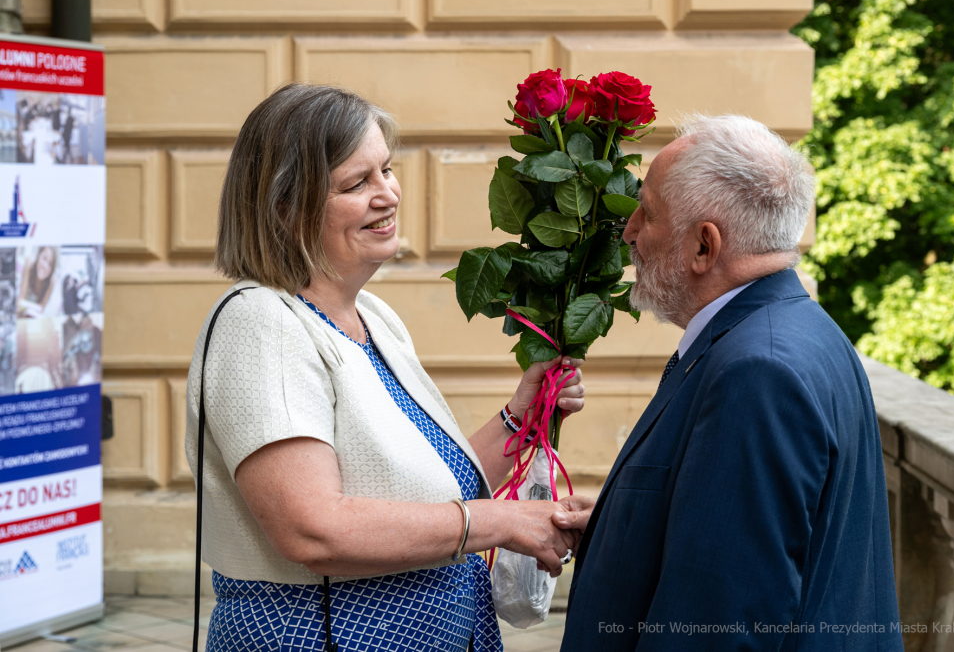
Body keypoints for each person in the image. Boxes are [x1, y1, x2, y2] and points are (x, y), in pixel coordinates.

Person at [185, 83, 591, 652]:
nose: (388, 195)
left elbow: (428, 486)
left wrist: (519, 418)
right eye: (357, 183)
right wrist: (501, 523)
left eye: (387, 170)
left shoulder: (372, 314)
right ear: (284, 209)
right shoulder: (262, 322)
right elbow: (311, 529)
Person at [555, 115, 902, 651]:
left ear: (704, 246)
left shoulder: (757, 371)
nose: (628, 233)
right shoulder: (799, 331)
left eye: (646, 213)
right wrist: (617, 521)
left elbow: (719, 624)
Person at [17, 246, 58, 318]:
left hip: (33, 317)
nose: (45, 266)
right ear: (38, 256)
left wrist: (27, 307)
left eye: (50, 264)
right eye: (44, 258)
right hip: (21, 313)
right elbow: (21, 300)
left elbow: (41, 308)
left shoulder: (51, 281)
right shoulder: (29, 265)